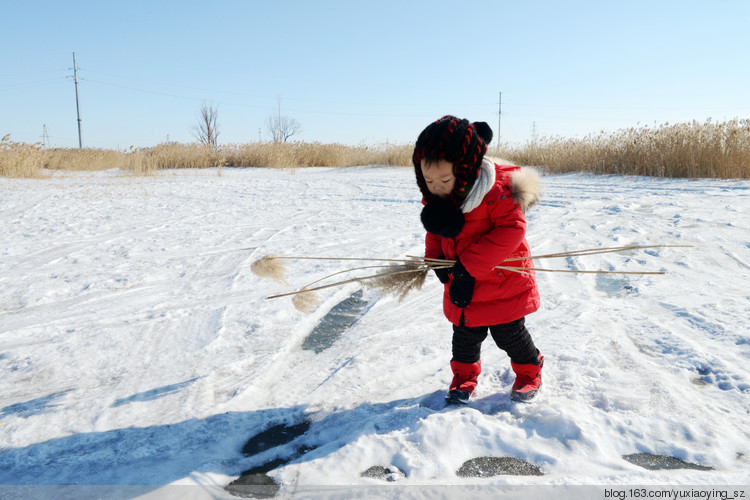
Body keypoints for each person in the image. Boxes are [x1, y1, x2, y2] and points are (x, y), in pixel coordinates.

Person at [412, 115, 544, 404]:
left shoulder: (494, 192)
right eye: (428, 180)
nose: (436, 187)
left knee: (509, 333)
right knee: (464, 335)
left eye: (445, 180)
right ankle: (463, 376)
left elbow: (513, 229)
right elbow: (436, 229)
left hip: (501, 281)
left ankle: (529, 371)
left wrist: (468, 267)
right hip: (463, 283)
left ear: (466, 168)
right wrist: (434, 258)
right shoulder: (440, 196)